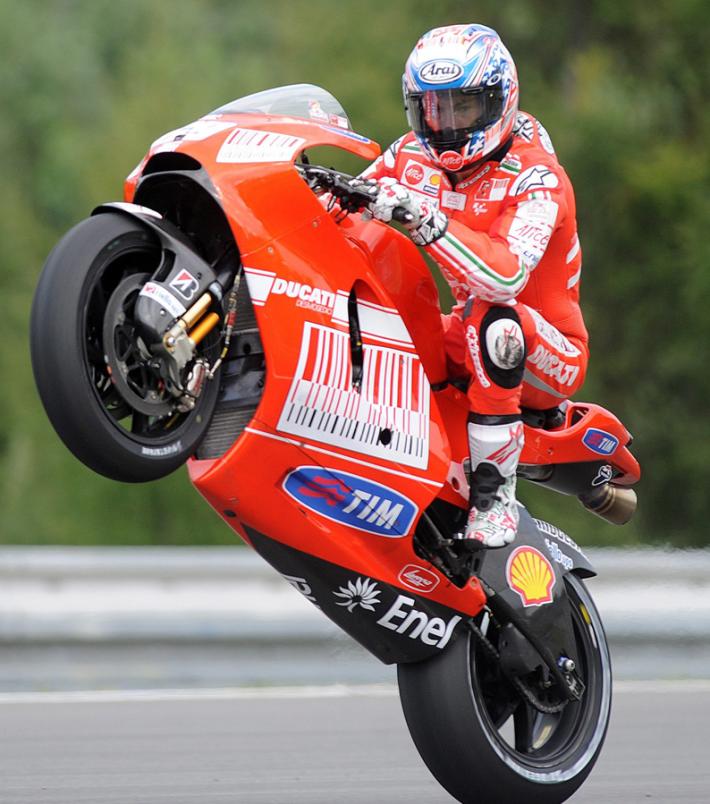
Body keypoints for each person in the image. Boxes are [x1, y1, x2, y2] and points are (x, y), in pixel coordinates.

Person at [360, 23, 588, 548]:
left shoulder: (538, 177)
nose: (445, 124)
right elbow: (345, 212)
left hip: (547, 351)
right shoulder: (408, 156)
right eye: (432, 109)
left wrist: (423, 218)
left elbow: (505, 277)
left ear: (498, 100)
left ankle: (495, 501)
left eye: (461, 107)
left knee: (494, 322)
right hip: (462, 333)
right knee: (387, 316)